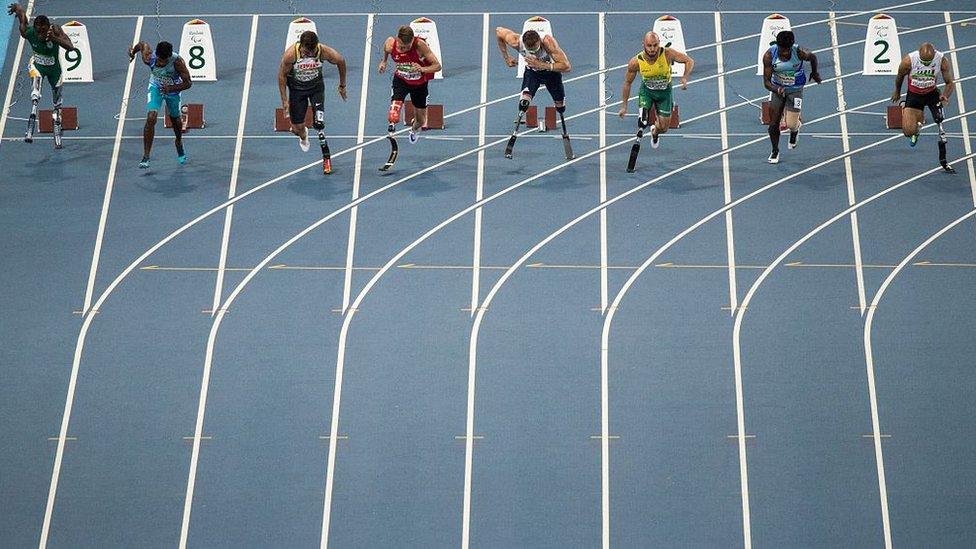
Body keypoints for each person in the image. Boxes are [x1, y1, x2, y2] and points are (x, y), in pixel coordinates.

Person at [7, 3, 77, 147]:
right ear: (35, 28)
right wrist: (19, 10)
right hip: (37, 66)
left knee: (57, 102)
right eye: (38, 31)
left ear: (48, 27)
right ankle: (32, 115)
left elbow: (71, 47)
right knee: (35, 93)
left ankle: (57, 124)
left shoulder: (55, 30)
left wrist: (54, 39)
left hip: (54, 71)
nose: (40, 34)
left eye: (43, 31)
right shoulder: (28, 32)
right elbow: (22, 19)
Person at [278, 30, 347, 174]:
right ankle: (303, 135)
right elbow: (282, 76)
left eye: (312, 52)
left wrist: (342, 85)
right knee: (297, 128)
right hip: (297, 91)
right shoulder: (291, 55)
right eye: (306, 52)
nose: (309, 54)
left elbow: (340, 61)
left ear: (316, 46)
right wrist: (284, 100)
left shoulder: (323, 51)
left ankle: (326, 158)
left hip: (316, 90)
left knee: (319, 124)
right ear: (300, 45)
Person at [618, 31, 694, 149]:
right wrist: (624, 106)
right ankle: (643, 118)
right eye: (649, 45)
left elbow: (689, 61)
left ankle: (655, 131)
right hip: (647, 92)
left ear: (659, 44)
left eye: (655, 45)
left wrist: (684, 77)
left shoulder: (667, 54)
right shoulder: (636, 62)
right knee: (642, 121)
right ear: (643, 44)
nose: (653, 49)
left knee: (664, 128)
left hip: (664, 94)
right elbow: (627, 83)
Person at [495, 25, 571, 135]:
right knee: (523, 103)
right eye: (531, 51)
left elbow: (566, 66)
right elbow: (498, 31)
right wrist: (507, 58)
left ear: (539, 42)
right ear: (524, 45)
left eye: (536, 50)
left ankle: (562, 119)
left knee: (560, 107)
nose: (534, 53)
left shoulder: (548, 43)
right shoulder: (516, 42)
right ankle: (516, 131)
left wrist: (542, 65)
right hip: (532, 74)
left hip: (551, 74)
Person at [891, 42, 955, 172]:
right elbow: (899, 76)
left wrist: (945, 95)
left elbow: (949, 83)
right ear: (919, 55)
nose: (926, 64)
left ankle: (920, 118)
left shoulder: (942, 60)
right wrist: (897, 91)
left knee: (939, 119)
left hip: (931, 94)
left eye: (928, 62)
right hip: (914, 95)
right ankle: (908, 111)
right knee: (908, 132)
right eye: (924, 62)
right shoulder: (908, 61)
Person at [129, 40, 192, 169]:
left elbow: (188, 83)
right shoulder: (149, 57)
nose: (160, 63)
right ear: (156, 54)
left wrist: (171, 88)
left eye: (164, 61)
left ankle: (178, 141)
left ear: (169, 57)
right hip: (156, 88)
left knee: (175, 120)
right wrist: (133, 52)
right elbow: (142, 44)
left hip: (173, 90)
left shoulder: (178, 62)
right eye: (159, 60)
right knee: (151, 117)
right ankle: (146, 156)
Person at [761, 30, 821, 164]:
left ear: (792, 46)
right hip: (777, 90)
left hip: (796, 90)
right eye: (782, 50)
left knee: (791, 124)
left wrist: (815, 73)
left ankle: (795, 129)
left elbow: (813, 58)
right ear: (778, 46)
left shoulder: (800, 52)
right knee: (773, 124)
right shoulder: (769, 55)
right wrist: (776, 89)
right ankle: (775, 150)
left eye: (787, 51)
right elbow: (766, 82)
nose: (784, 54)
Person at [378, 25, 441, 143]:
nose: (404, 49)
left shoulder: (420, 45)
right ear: (397, 39)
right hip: (401, 80)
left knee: (421, 121)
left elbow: (437, 66)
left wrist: (422, 69)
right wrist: (384, 61)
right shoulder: (390, 43)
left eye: (407, 47)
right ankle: (392, 123)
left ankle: (414, 128)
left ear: (412, 40)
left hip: (419, 85)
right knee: (393, 113)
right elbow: (386, 50)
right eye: (401, 47)